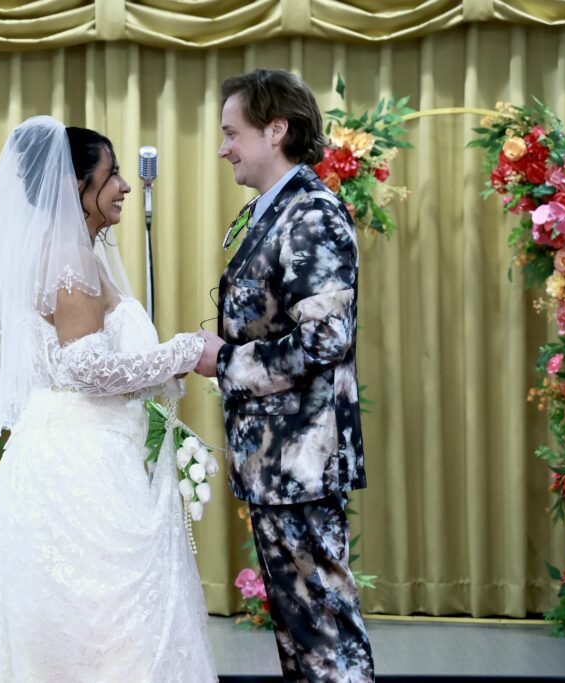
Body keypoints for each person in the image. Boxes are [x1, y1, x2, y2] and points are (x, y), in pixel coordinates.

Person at [0, 116, 216, 681]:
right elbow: (87, 368)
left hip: (76, 450)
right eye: (112, 173)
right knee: (100, 630)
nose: (123, 185)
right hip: (81, 465)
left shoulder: (63, 254)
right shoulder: (69, 259)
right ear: (77, 186)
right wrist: (186, 351)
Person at [194, 69, 375, 682]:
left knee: (325, 632)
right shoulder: (276, 211)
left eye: (231, 132)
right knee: (302, 634)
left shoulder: (311, 214)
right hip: (277, 463)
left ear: (277, 130)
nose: (223, 147)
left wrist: (223, 360)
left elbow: (326, 338)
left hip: (301, 459)